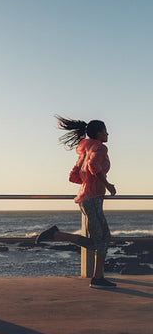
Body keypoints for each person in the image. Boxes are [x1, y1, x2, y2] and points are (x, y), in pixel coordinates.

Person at [35, 117, 117, 289]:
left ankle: (98, 277)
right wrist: (107, 184)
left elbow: (74, 176)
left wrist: (89, 181)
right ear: (98, 133)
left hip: (89, 198)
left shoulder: (85, 150)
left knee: (105, 237)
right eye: (105, 130)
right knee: (97, 241)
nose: (107, 133)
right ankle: (56, 235)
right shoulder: (100, 147)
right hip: (92, 199)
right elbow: (94, 167)